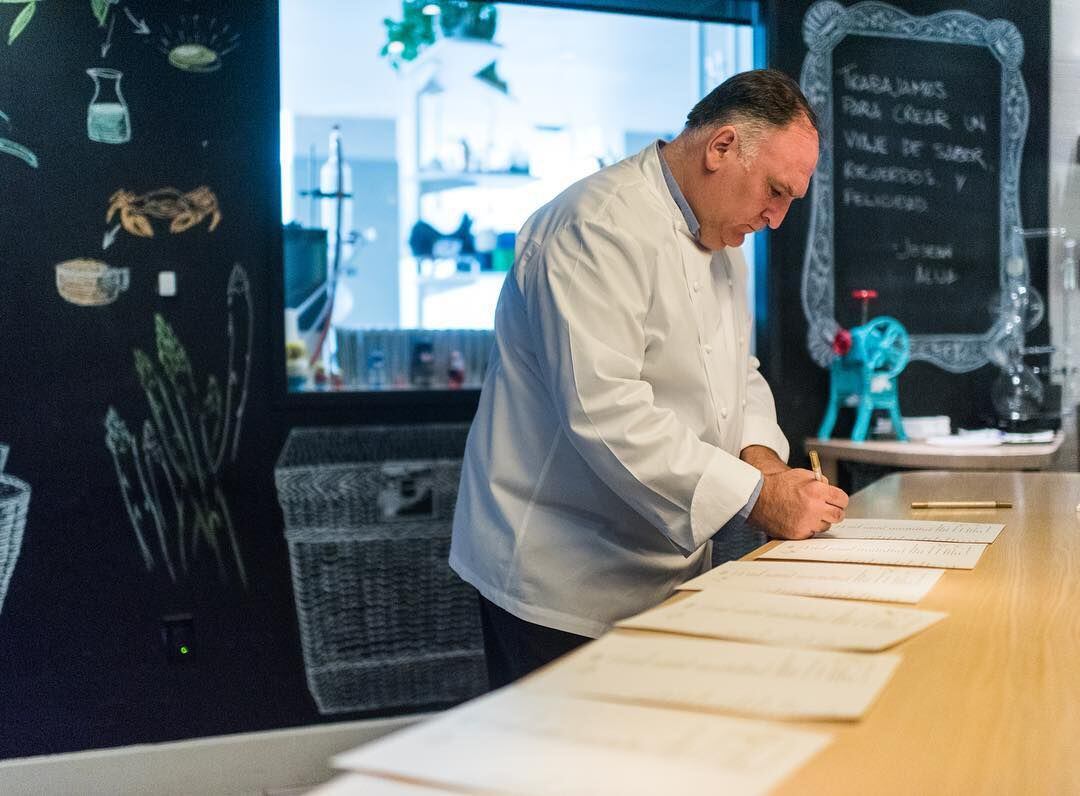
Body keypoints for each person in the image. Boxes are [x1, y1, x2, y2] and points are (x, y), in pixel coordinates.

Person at [449, 68, 849, 688]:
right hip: (559, 575)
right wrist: (755, 496)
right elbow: (605, 413)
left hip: (665, 568)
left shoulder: (722, 244)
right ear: (720, 148)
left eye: (790, 201)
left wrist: (765, 464)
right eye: (774, 191)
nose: (776, 219)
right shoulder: (596, 227)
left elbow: (738, 376)